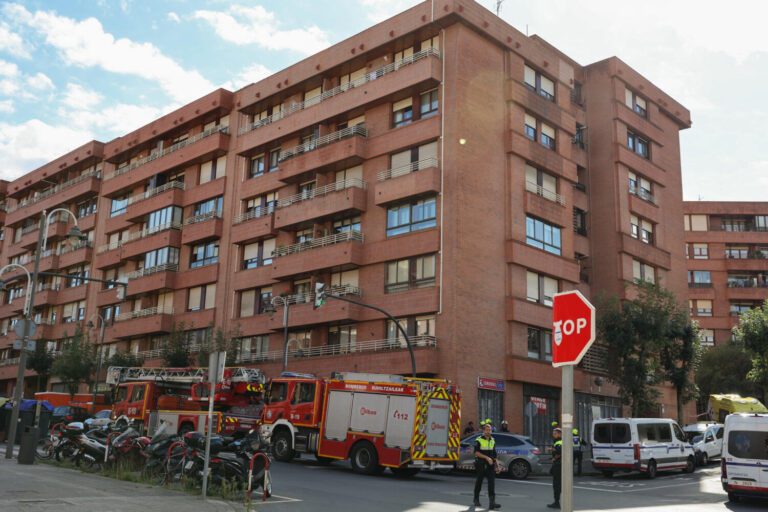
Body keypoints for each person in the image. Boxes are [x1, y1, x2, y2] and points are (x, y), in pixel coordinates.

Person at [473, 420, 501, 509]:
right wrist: (486, 458)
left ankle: (492, 502)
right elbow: (476, 452)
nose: (488, 431)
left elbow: (494, 454)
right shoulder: (478, 440)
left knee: (491, 484)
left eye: (490, 430)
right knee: (479, 482)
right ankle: (476, 499)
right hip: (481, 464)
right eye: (487, 430)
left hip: (491, 465)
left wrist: (498, 466)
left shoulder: (493, 440)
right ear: (484, 431)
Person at [548, 427, 562, 509]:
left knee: (556, 484)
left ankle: (557, 502)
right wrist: (552, 449)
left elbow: (559, 452)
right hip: (559, 464)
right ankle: (557, 501)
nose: (553, 435)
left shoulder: (558, 442)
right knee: (558, 483)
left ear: (559, 434)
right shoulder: (558, 441)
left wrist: (554, 458)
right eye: (553, 433)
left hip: (558, 465)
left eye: (555, 433)